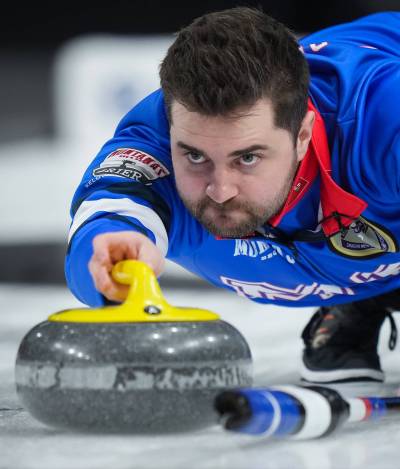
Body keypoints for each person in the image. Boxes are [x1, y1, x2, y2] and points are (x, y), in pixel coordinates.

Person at [65, 7, 400, 384]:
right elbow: (103, 230)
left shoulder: (382, 124)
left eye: (248, 157)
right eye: (194, 156)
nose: (220, 190)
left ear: (302, 135)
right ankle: (358, 299)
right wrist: (112, 261)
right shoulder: (151, 145)